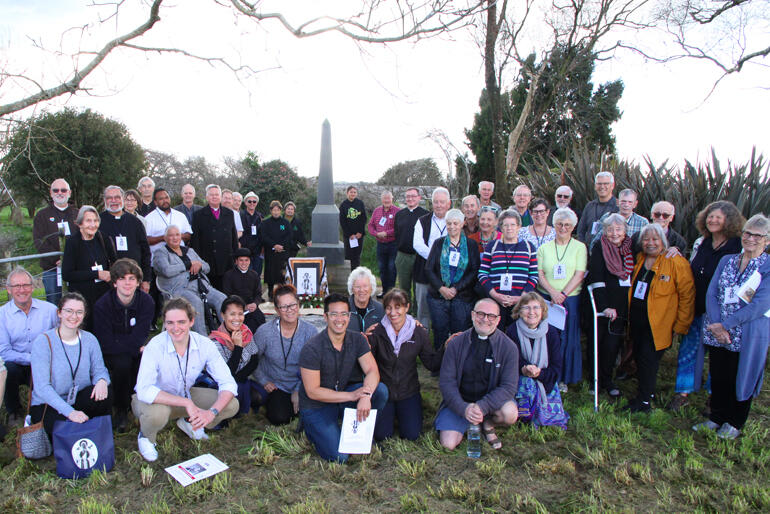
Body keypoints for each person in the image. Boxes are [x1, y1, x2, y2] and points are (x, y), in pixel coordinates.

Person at [132, 297, 239, 462]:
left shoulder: (204, 344)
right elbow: (144, 390)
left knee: (232, 405)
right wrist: (187, 403)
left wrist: (212, 413)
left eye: (181, 322)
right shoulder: (154, 346)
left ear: (191, 321)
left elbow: (228, 383)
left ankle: (191, 422)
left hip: (185, 394)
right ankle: (146, 436)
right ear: (164, 323)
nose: (175, 328)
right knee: (157, 414)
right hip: (155, 400)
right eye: (170, 323)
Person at [694, 214, 770, 439]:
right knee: (719, 375)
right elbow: (712, 292)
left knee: (742, 376)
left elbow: (760, 304)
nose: (751, 239)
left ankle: (735, 421)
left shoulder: (766, 266)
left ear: (767, 240)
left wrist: (725, 325)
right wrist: (718, 326)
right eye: (748, 233)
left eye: (758, 236)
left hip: (746, 333)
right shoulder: (727, 260)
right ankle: (716, 417)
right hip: (718, 331)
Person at [668, 201, 743, 410]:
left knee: (718, 356)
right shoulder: (702, 242)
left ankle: (714, 395)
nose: (713, 220)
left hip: (722, 312)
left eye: (718, 217)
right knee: (689, 349)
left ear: (729, 220)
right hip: (697, 306)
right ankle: (683, 392)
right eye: (710, 216)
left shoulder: (737, 245)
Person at [298, 293, 388, 462]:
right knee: (340, 457)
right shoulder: (312, 348)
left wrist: (366, 395)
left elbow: (372, 371)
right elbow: (313, 392)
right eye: (334, 314)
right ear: (325, 317)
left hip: (342, 397)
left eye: (344, 314)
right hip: (317, 405)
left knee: (380, 391)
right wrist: (352, 396)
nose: (339, 319)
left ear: (349, 316)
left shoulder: (357, 339)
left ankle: (361, 432)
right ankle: (310, 427)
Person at [624, 224, 694, 413]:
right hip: (638, 321)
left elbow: (687, 295)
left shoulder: (675, 262)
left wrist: (681, 325)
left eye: (655, 239)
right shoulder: (640, 259)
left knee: (649, 360)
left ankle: (644, 403)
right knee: (640, 358)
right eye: (646, 239)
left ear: (663, 241)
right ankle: (646, 393)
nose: (650, 243)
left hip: (659, 325)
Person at [436, 298, 519, 450]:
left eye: (491, 316)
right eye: (481, 314)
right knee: (448, 444)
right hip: (460, 402)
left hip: (491, 404)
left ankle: (487, 423)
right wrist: (464, 408)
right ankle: (471, 420)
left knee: (510, 413)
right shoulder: (455, 344)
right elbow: (447, 382)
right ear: (473, 315)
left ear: (498, 320)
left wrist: (482, 407)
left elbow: (509, 387)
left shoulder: (509, 347)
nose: (485, 319)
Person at [29, 292, 112, 441]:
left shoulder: (90, 340)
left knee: (106, 393)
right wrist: (70, 413)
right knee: (62, 428)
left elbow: (100, 370)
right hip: (49, 403)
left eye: (79, 312)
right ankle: (81, 429)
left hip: (77, 398)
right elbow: (42, 387)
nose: (74, 316)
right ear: (59, 313)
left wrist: (102, 381)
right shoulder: (43, 342)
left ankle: (94, 430)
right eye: (69, 311)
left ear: (84, 315)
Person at [369, 288, 442, 441]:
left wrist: (446, 348)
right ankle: (389, 415)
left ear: (407, 307)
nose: (393, 312)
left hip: (409, 391)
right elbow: (367, 365)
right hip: (385, 392)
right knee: (382, 436)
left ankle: (404, 414)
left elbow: (431, 363)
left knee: (412, 435)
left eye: (398, 307)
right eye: (388, 308)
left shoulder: (419, 332)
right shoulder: (377, 332)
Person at [92, 258, 154, 432]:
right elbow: (105, 341)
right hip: (112, 352)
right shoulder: (102, 305)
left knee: (146, 359)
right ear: (114, 283)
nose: (127, 283)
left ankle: (141, 401)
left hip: (135, 347)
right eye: (122, 279)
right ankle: (121, 408)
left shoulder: (146, 301)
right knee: (123, 363)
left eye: (132, 279)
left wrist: (134, 348)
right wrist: (132, 348)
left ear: (138, 282)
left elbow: (141, 334)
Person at [536, 208, 587, 392]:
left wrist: (563, 294)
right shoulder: (544, 248)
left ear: (573, 227)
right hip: (547, 298)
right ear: (554, 225)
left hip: (569, 299)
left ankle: (564, 378)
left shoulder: (580, 247)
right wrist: (552, 293)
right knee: (549, 337)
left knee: (567, 338)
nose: (563, 228)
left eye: (567, 225)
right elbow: (539, 274)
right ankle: (546, 375)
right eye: (559, 224)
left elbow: (579, 273)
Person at [0, 268, 59, 425]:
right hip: (17, 363)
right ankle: (14, 411)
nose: (22, 290)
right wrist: (31, 358)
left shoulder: (50, 310)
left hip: (45, 362)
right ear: (9, 289)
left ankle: (45, 408)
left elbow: (60, 339)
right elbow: (4, 352)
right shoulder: (2, 315)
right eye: (16, 286)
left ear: (33, 287)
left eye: (26, 285)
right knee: (8, 369)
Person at [252, 285, 318, 425]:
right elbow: (252, 360)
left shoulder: (310, 332)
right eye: (284, 307)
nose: (289, 310)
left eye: (293, 305)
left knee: (311, 414)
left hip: (303, 382)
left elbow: (313, 366)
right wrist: (263, 380)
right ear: (276, 310)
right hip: (276, 385)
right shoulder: (265, 332)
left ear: (298, 305)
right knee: (280, 418)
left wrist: (298, 390)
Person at [505, 292, 569, 429]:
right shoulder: (511, 331)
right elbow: (510, 363)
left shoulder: (552, 333)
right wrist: (524, 369)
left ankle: (539, 413)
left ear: (543, 310)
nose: (531, 312)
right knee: (527, 383)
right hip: (520, 380)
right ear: (519, 311)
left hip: (545, 378)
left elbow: (556, 367)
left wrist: (539, 373)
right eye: (526, 308)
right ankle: (524, 417)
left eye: (536, 307)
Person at [587, 213, 634, 398]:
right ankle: (594, 380)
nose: (614, 233)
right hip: (603, 306)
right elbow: (596, 278)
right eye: (610, 229)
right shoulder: (600, 247)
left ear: (625, 231)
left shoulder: (630, 248)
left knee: (613, 345)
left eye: (618, 229)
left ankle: (608, 379)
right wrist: (604, 306)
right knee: (598, 343)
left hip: (623, 305)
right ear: (604, 231)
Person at [154, 225, 227, 335]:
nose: (175, 238)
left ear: (181, 237)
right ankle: (202, 338)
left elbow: (207, 267)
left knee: (222, 298)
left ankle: (226, 335)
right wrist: (188, 264)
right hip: (179, 290)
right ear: (165, 238)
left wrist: (199, 266)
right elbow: (166, 270)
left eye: (177, 235)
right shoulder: (161, 253)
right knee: (196, 302)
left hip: (201, 286)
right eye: (171, 235)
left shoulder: (189, 251)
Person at [425, 208, 481, 350]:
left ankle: (457, 364)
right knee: (440, 330)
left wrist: (456, 288)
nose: (452, 227)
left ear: (462, 224)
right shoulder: (438, 244)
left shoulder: (471, 245)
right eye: (449, 223)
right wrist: (441, 288)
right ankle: (439, 362)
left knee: (460, 331)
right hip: (438, 295)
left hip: (462, 295)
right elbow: (429, 269)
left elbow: (474, 271)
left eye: (455, 223)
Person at [477, 210, 538, 329]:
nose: (509, 228)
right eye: (506, 225)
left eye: (513, 225)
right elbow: (483, 274)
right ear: (501, 228)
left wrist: (521, 297)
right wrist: (495, 295)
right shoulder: (492, 246)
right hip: (496, 301)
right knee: (495, 335)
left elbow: (534, 276)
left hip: (520, 302)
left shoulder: (529, 247)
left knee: (517, 336)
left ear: (519, 227)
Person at [61, 205, 117, 331]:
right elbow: (67, 274)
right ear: (80, 223)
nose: (93, 225)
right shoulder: (73, 243)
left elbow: (114, 261)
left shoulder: (103, 238)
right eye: (88, 221)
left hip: (103, 295)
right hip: (82, 297)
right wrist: (97, 274)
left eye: (95, 221)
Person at [208, 296, 259, 417]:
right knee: (234, 400)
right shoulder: (214, 341)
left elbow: (254, 360)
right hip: (220, 384)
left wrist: (238, 378)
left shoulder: (245, 332)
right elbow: (226, 373)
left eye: (240, 314)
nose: (237, 318)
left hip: (240, 378)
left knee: (260, 397)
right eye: (232, 314)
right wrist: (237, 347)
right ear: (223, 315)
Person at [33, 178, 78, 304]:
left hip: (75, 268)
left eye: (63, 190)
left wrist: (71, 260)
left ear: (69, 193)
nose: (60, 192)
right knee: (54, 304)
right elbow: (39, 240)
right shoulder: (42, 215)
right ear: (51, 193)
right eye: (56, 190)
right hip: (52, 269)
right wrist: (57, 259)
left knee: (76, 302)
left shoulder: (77, 214)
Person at [99, 185, 151, 293]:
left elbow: (145, 252)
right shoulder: (98, 221)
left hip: (132, 278)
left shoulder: (135, 222)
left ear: (122, 199)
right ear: (105, 200)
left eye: (117, 197)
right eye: (109, 198)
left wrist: (146, 280)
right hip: (107, 279)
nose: (114, 201)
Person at [413, 187, 451, 329]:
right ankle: (422, 337)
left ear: (448, 204)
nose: (439, 205)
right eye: (436, 202)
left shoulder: (454, 221)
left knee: (445, 306)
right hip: (424, 270)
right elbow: (417, 244)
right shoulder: (422, 221)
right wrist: (436, 258)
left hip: (447, 272)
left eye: (442, 202)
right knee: (423, 307)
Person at [191, 184, 239, 290]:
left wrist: (236, 255)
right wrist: (197, 259)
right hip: (208, 260)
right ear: (207, 197)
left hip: (226, 259)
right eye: (211, 195)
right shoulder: (198, 215)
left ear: (220, 197)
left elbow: (233, 237)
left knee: (227, 289)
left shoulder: (229, 213)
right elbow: (196, 241)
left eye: (217, 194)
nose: (214, 197)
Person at [394, 187, 429, 308]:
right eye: (408, 196)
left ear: (419, 198)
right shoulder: (399, 214)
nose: (410, 199)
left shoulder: (425, 215)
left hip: (419, 257)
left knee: (418, 287)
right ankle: (406, 311)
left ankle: (417, 312)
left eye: (413, 196)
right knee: (404, 287)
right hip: (403, 256)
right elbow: (396, 234)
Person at [222, 248, 266, 333]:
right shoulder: (229, 275)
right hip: (236, 307)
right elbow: (227, 295)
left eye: (246, 260)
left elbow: (258, 293)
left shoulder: (254, 274)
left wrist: (255, 304)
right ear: (236, 261)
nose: (244, 263)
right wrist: (243, 306)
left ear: (250, 261)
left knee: (260, 320)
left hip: (251, 307)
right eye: (241, 260)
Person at [144, 187, 193, 260]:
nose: (165, 201)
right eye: (161, 199)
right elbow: (145, 240)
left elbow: (188, 235)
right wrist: (163, 238)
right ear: (155, 202)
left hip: (180, 259)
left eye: (167, 197)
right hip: (158, 260)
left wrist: (176, 237)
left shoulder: (180, 215)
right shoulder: (149, 218)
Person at [367, 191, 400, 295]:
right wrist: (376, 233)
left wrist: (386, 233)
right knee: (382, 268)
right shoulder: (377, 211)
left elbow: (399, 228)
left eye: (388, 198)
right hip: (380, 244)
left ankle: (391, 292)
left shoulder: (397, 211)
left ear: (392, 199)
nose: (386, 200)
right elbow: (370, 225)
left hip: (393, 244)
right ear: (382, 199)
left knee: (391, 268)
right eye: (385, 198)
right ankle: (384, 290)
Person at [261, 200, 293, 301]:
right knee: (270, 273)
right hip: (271, 252)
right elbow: (264, 236)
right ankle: (271, 291)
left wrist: (281, 246)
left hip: (282, 252)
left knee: (282, 273)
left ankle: (283, 291)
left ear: (281, 211)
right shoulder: (265, 223)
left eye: (278, 210)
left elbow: (289, 235)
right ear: (271, 211)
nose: (276, 212)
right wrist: (274, 245)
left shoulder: (285, 223)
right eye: (274, 210)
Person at [576, 171, 618, 243]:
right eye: (599, 184)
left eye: (606, 184)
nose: (602, 187)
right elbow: (581, 231)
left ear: (612, 185)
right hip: (588, 250)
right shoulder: (590, 206)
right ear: (595, 186)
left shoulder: (617, 206)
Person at [347, 267, 385, 333]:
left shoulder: (381, 310)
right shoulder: (344, 309)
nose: (361, 290)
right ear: (352, 288)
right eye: (357, 287)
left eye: (365, 286)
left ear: (371, 288)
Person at [339, 186, 368, 271]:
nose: (353, 194)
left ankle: (356, 275)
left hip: (359, 235)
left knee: (357, 256)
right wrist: (350, 234)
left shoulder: (360, 203)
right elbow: (342, 222)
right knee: (348, 256)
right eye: (351, 192)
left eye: (355, 192)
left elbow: (364, 218)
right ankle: (349, 275)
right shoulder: (343, 205)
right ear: (347, 193)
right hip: (349, 236)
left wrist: (360, 232)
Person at [239, 191, 263, 276]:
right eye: (249, 201)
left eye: (254, 201)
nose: (252, 203)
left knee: (256, 274)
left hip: (257, 250)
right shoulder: (240, 215)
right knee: (245, 274)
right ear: (245, 202)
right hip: (245, 249)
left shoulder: (260, 216)